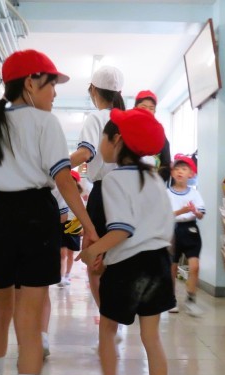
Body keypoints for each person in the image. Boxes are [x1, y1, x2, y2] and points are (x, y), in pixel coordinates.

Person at [0, 49, 97, 375]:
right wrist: (89, 226)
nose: (55, 93)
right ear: (30, 82)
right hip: (37, 217)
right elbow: (63, 180)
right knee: (29, 321)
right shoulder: (45, 123)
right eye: (51, 84)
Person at [78, 108, 176, 375]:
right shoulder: (156, 178)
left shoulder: (113, 179)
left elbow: (122, 229)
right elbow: (160, 228)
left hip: (128, 268)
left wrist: (94, 251)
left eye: (103, 139)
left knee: (108, 329)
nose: (100, 145)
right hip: (158, 264)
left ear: (116, 140)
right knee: (152, 336)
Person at [70, 65, 125, 312]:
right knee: (119, 255)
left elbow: (85, 153)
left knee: (94, 258)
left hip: (104, 193)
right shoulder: (128, 118)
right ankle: (117, 312)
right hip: (128, 192)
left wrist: (53, 167)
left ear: (93, 89)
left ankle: (108, 315)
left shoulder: (96, 118)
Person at [167, 153, 205, 316]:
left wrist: (195, 212)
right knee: (172, 268)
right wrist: (181, 211)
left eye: (184, 169)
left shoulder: (194, 194)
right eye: (177, 169)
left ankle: (191, 300)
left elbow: (201, 215)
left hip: (191, 230)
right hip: (172, 231)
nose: (180, 171)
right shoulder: (167, 193)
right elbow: (164, 215)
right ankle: (171, 300)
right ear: (172, 173)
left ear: (191, 174)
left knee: (195, 266)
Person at [134, 90, 172, 183]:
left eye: (151, 108)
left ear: (154, 111)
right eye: (143, 107)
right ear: (135, 108)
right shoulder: (128, 130)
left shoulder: (160, 134)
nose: (147, 111)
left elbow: (166, 165)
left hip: (154, 184)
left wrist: (155, 181)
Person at [58, 170, 84, 288]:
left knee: (70, 253)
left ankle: (67, 274)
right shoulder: (60, 194)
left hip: (74, 226)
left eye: (72, 179)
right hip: (62, 225)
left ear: (76, 182)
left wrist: (83, 228)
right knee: (62, 253)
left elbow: (82, 214)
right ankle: (61, 276)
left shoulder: (78, 197)